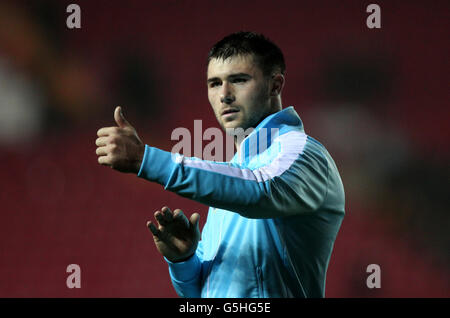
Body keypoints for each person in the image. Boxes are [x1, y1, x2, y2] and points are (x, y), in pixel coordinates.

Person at [95, 31, 345, 298]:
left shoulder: (304, 153)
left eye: (238, 80)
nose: (224, 95)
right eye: (214, 83)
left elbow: (261, 190)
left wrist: (146, 159)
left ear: (275, 85)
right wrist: (184, 260)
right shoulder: (236, 174)